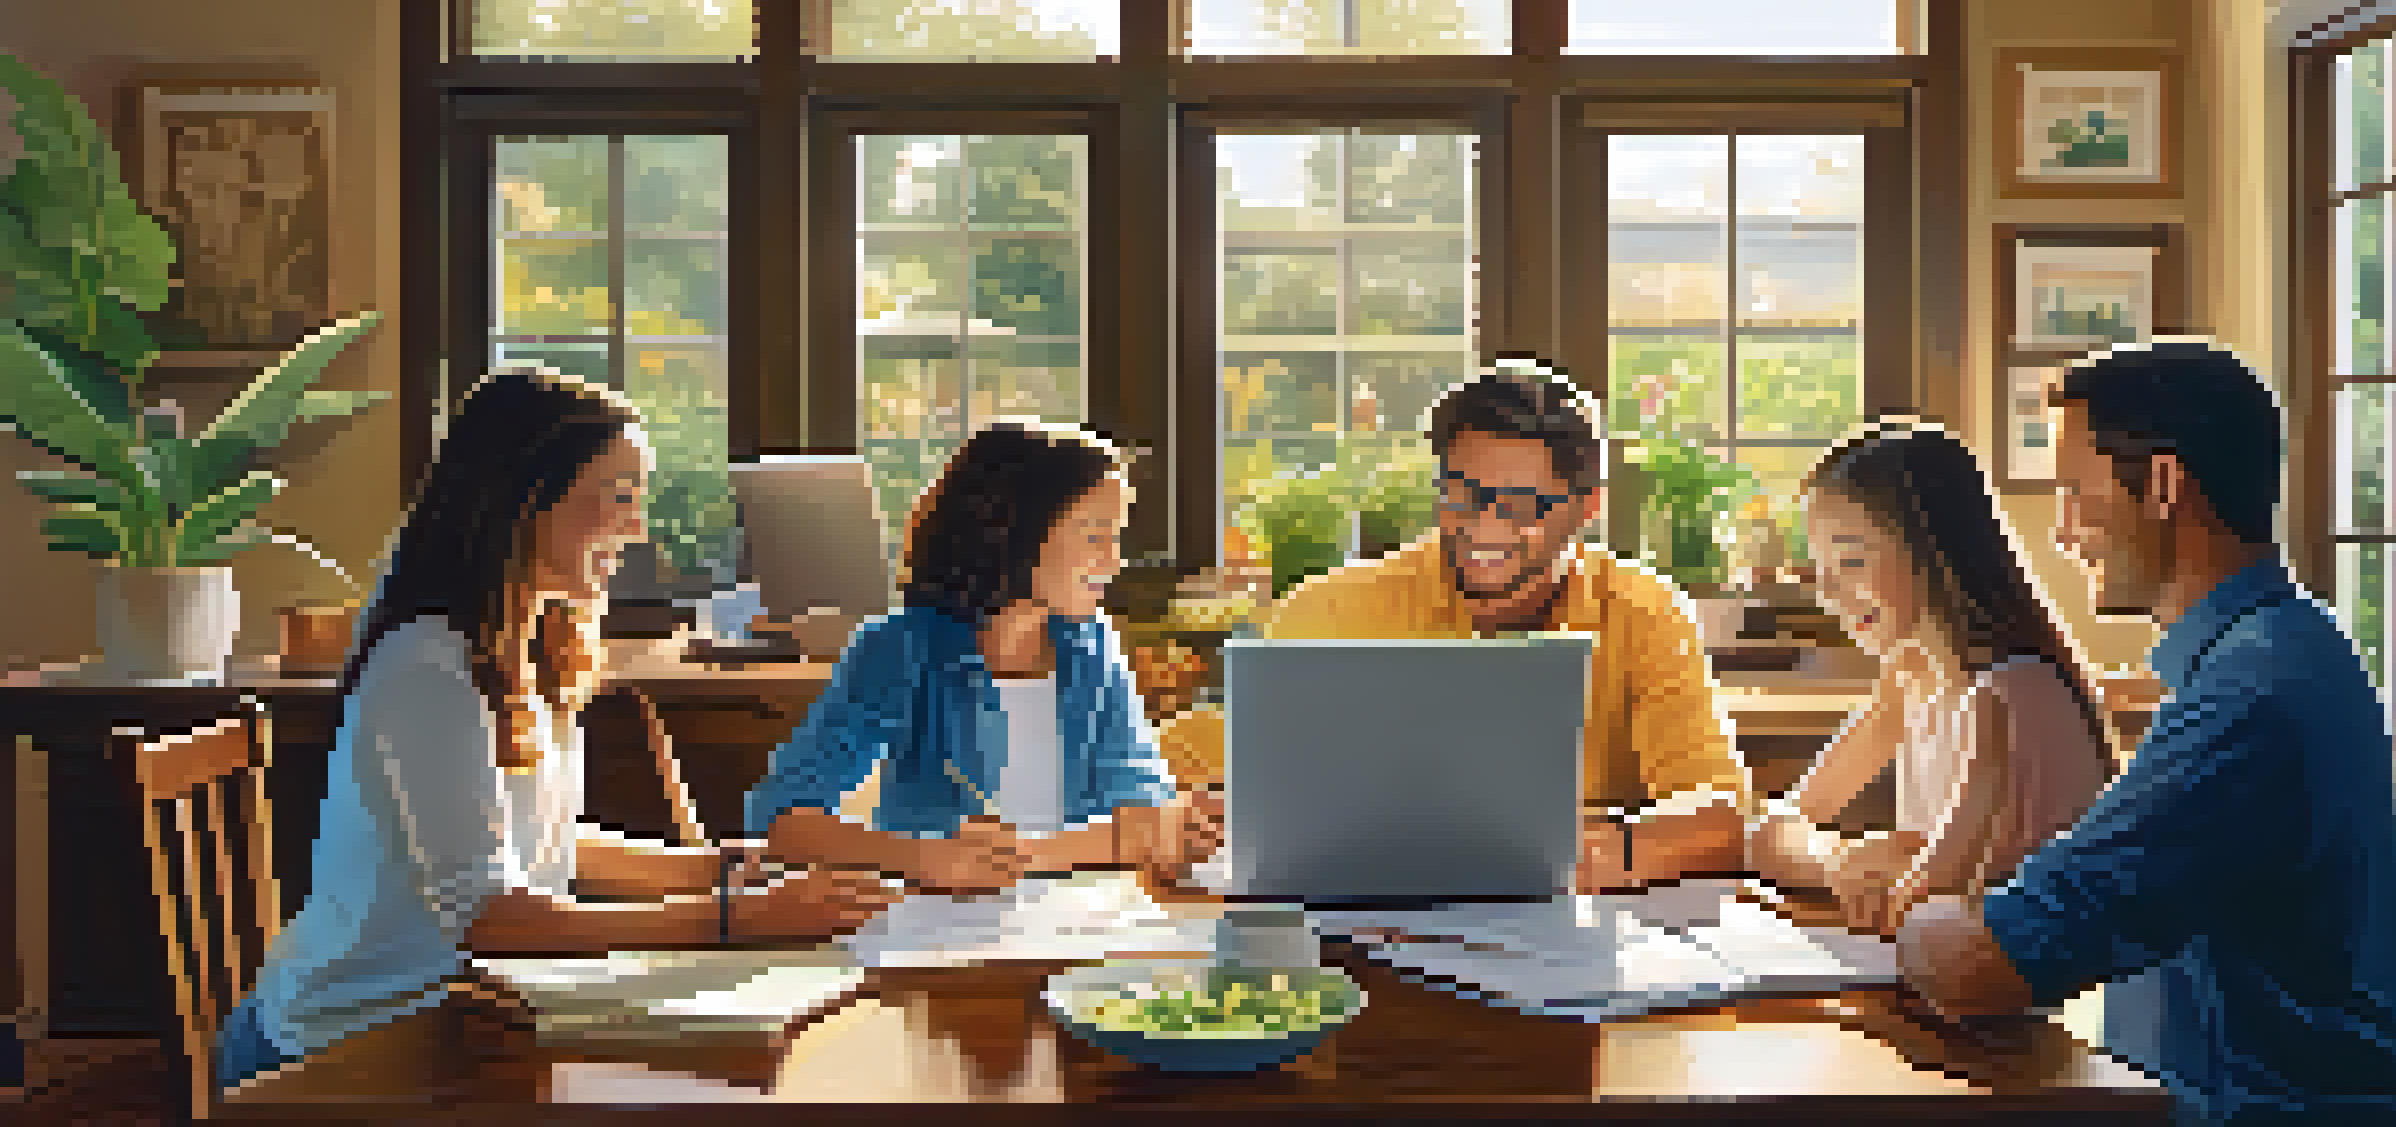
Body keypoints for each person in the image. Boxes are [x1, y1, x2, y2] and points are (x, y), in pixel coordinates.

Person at [214, 367, 900, 1099]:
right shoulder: (428, 669)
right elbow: (491, 916)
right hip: (343, 1048)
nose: (637, 526)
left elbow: (547, 844)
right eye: (620, 495)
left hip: (462, 1018)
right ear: (523, 500)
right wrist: (734, 917)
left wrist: (720, 869)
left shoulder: (527, 647)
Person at [1896, 342, 2396, 1124]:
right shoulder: (2284, 651)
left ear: (2163, 485)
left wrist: (1916, 908)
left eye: (2073, 492)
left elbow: (1977, 968)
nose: (2062, 532)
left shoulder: (2246, 699)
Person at [1171, 360, 1754, 891]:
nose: (1484, 527)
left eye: (1521, 506)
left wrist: (1602, 850)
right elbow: (1194, 759)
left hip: (1570, 925)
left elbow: (1723, 814)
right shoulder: (1335, 606)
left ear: (1587, 508)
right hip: (1359, 926)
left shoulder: (1642, 611)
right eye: (1460, 495)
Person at [745, 421, 1221, 893]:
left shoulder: (1093, 647)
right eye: (1096, 536)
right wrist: (922, 857)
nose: (1114, 561)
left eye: (1117, 538)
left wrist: (1035, 855)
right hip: (937, 931)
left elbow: (1142, 809)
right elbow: (779, 821)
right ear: (1015, 532)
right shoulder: (903, 648)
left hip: (1079, 920)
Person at [1744, 418, 2113, 937]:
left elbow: (1926, 905)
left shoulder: (2010, 695)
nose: (1829, 592)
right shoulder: (1911, 681)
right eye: (1820, 570)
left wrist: (1889, 870)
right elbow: (1768, 834)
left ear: (1935, 553)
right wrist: (1839, 862)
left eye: (1851, 560)